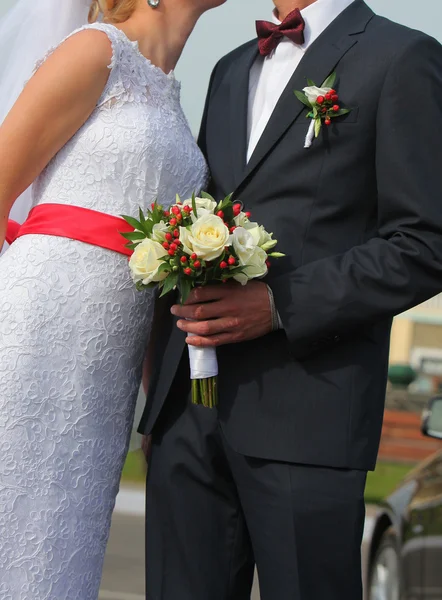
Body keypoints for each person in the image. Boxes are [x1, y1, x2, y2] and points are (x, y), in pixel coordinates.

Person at [140, 0, 442, 598]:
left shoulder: (402, 57)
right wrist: (159, 388)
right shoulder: (229, 68)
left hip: (309, 417)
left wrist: (281, 304)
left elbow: (424, 243)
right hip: (188, 412)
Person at [0, 0, 224, 597]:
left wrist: (157, 396)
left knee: (60, 537)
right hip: (38, 322)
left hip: (109, 369)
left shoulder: (177, 100)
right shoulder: (96, 50)